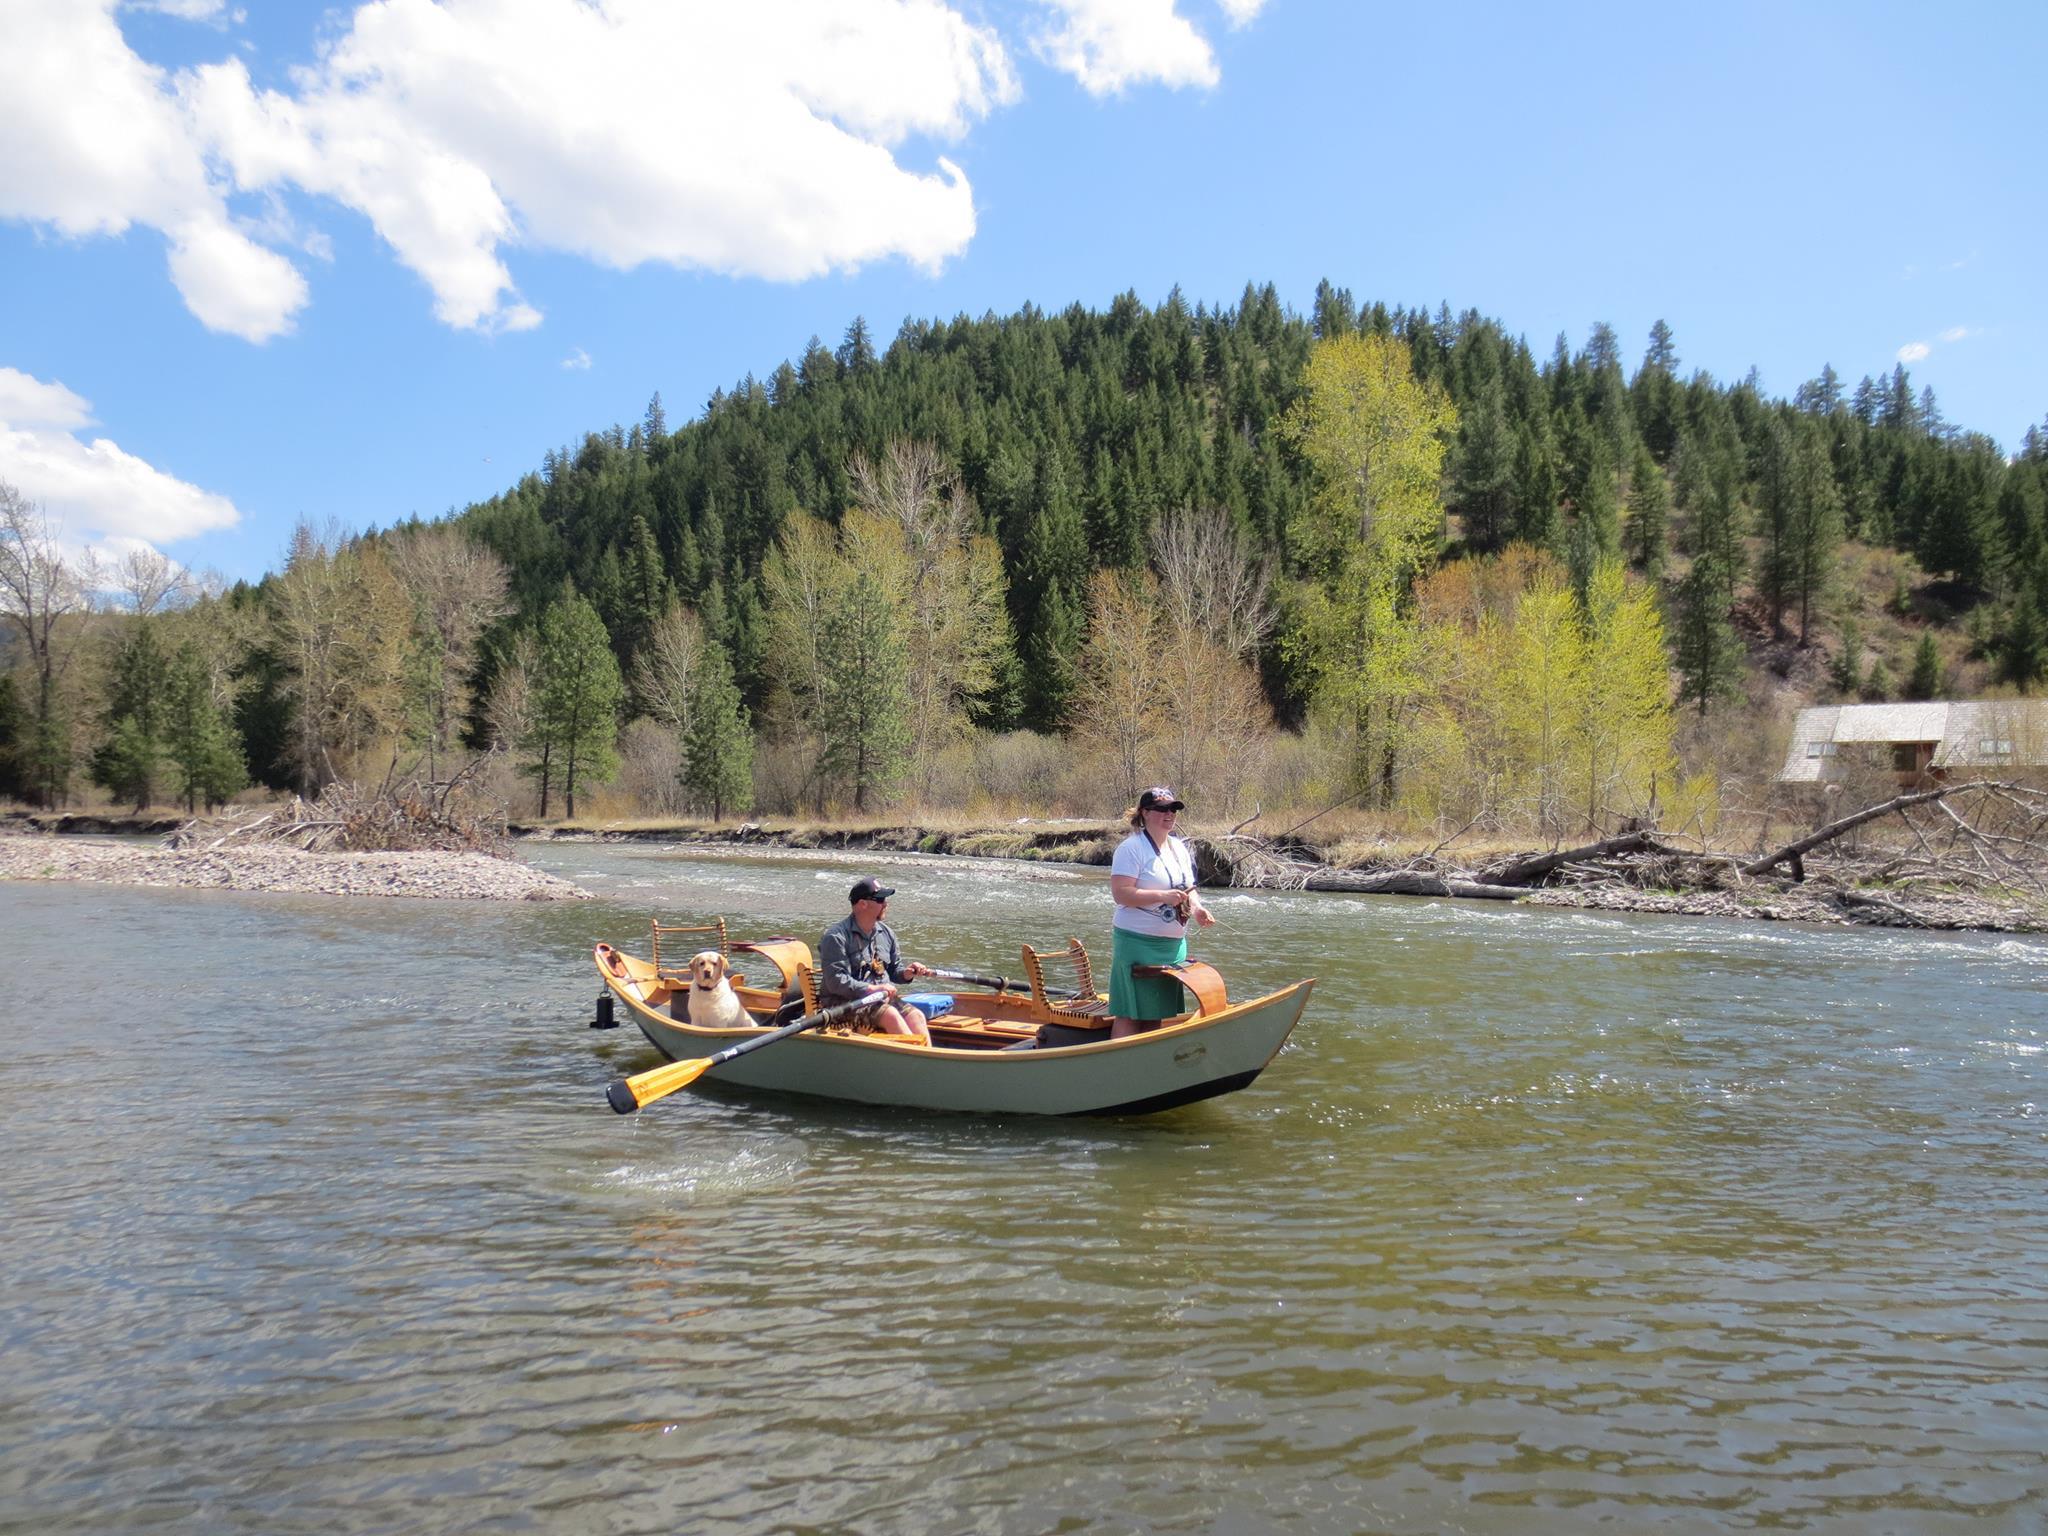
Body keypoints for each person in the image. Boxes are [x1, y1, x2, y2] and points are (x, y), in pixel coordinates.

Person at [1107, 786, 1215, 1038]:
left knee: (1155, 1012)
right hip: (1136, 943)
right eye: (1161, 809)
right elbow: (1121, 894)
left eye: (1173, 809)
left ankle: (1145, 1067)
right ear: (1144, 813)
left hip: (1172, 945)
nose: (1169, 814)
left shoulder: (1178, 847)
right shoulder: (1131, 848)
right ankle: (1119, 1067)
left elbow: (1189, 889)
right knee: (1130, 1013)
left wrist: (1197, 908)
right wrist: (1162, 896)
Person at [818, 876, 935, 1042]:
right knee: (891, 1015)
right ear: (862, 904)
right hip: (844, 1004)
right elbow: (836, 981)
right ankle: (916, 1060)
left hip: (880, 1001)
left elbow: (895, 971)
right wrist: (872, 988)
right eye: (880, 899)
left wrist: (908, 973)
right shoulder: (835, 937)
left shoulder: (886, 934)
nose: (886, 903)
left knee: (917, 1016)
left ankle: (926, 1059)